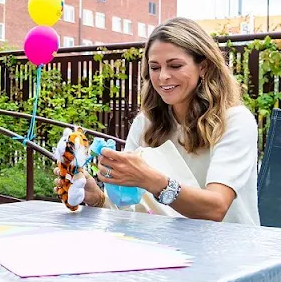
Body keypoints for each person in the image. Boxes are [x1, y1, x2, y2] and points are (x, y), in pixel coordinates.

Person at [56, 17, 259, 225]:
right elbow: (132, 210)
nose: (163, 77)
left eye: (175, 66)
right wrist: (97, 198)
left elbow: (216, 207)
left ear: (204, 67)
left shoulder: (235, 121)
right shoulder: (146, 123)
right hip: (168, 249)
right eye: (154, 67)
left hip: (230, 251)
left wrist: (150, 179)